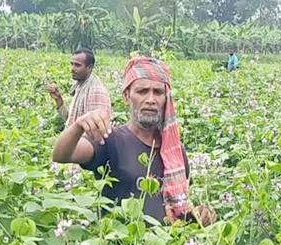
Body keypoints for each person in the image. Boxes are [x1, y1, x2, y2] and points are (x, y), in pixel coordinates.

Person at [52, 55, 216, 225]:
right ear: (126, 97)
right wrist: (78, 126)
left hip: (168, 241)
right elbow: (61, 155)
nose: (150, 100)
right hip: (122, 240)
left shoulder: (175, 151)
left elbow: (179, 204)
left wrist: (199, 215)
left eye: (158, 92)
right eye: (142, 91)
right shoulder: (110, 139)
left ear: (166, 99)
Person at [45, 48, 111, 124]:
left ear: (89, 67)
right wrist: (58, 100)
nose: (72, 69)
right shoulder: (81, 86)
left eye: (77, 65)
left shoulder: (95, 91)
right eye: (72, 64)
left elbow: (95, 127)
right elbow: (71, 121)